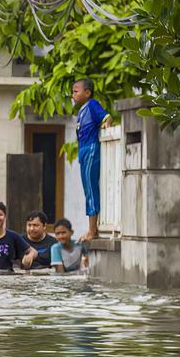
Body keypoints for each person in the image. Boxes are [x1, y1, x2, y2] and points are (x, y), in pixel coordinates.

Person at [72, 77, 111, 242]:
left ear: (87, 93)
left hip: (91, 150)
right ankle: (91, 229)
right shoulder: (81, 111)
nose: (72, 95)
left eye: (76, 91)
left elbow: (106, 117)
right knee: (87, 189)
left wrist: (106, 124)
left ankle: (92, 230)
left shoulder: (92, 104)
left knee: (91, 189)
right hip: (83, 151)